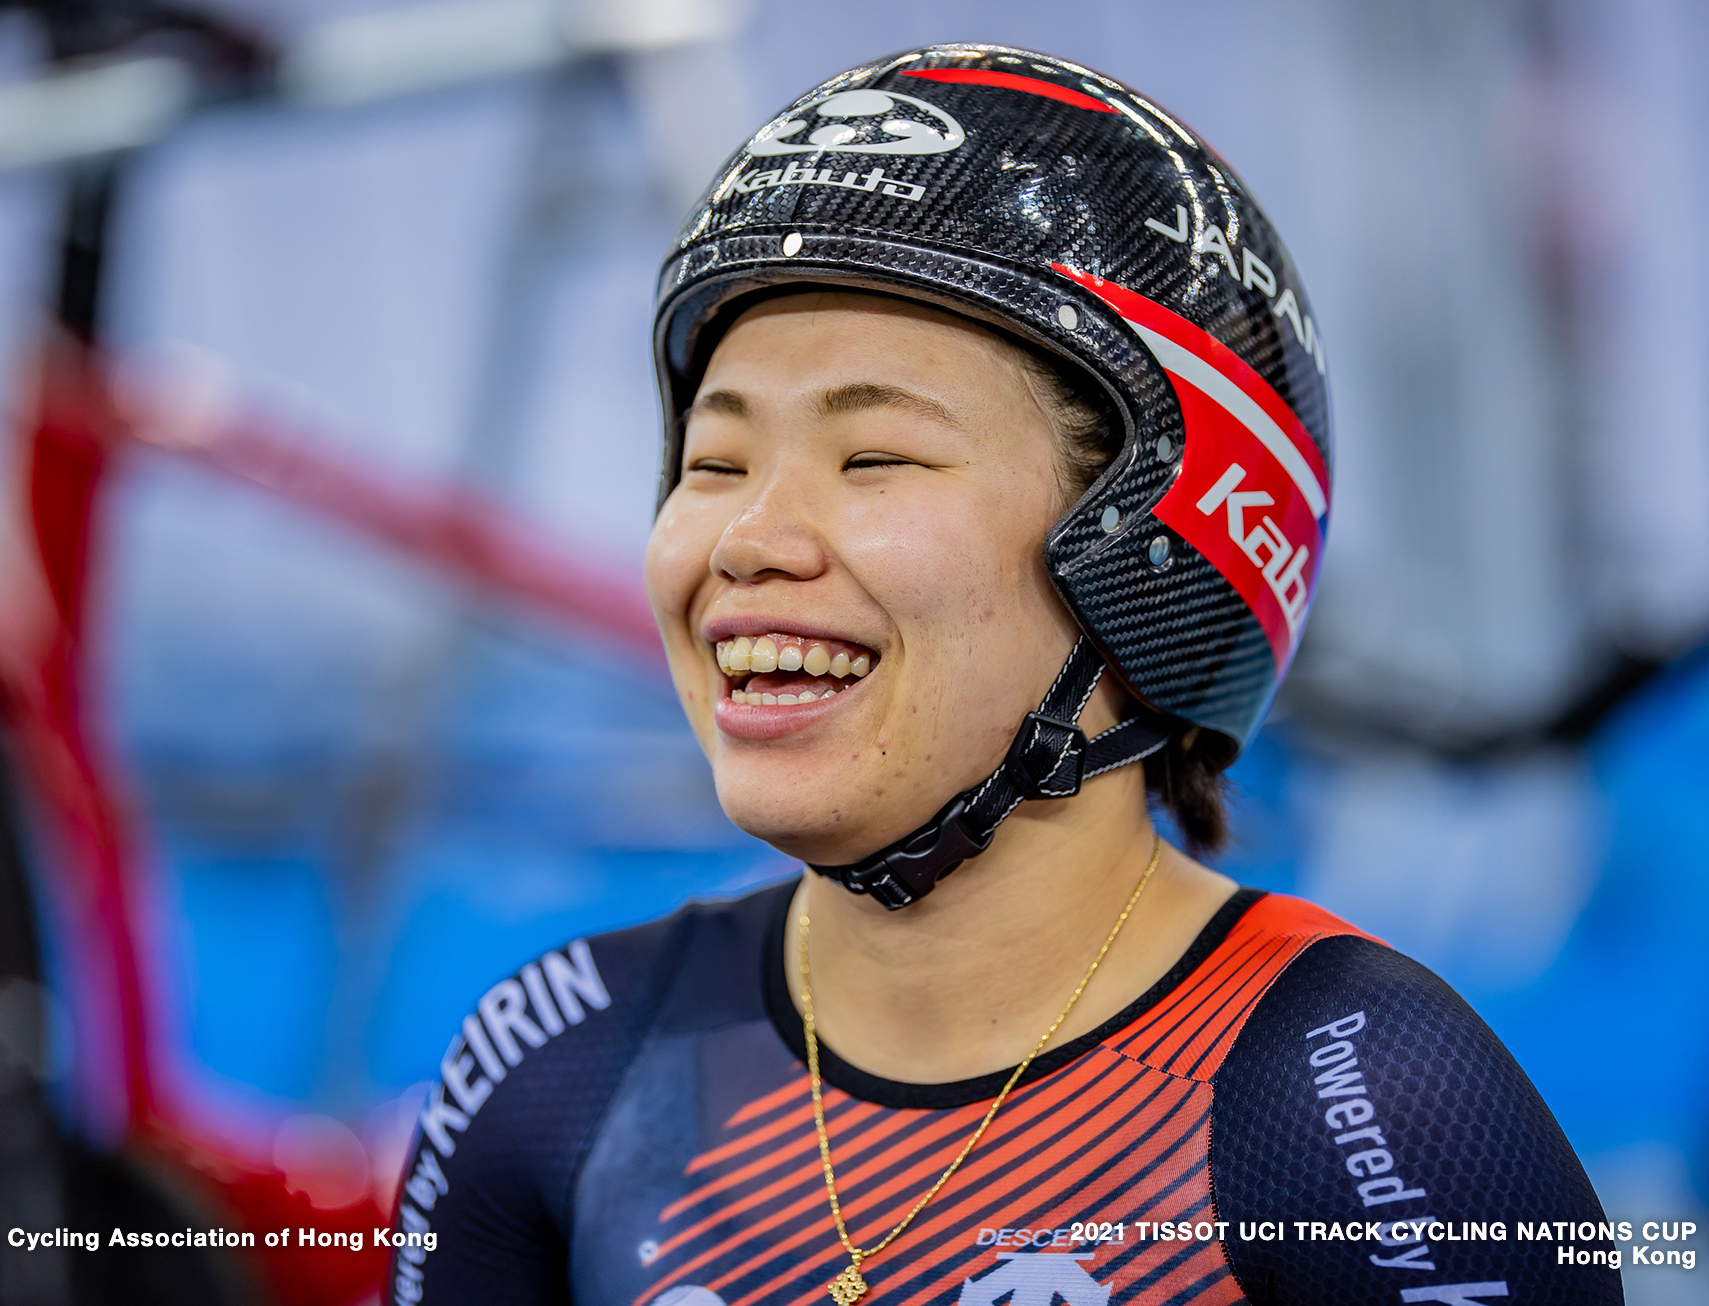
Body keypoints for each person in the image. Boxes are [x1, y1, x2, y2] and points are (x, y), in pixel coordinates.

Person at [386, 45, 1623, 1306]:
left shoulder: (1363, 1113)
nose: (746, 538)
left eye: (875, 459)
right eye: (712, 463)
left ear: (1162, 552)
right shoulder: (560, 1061)